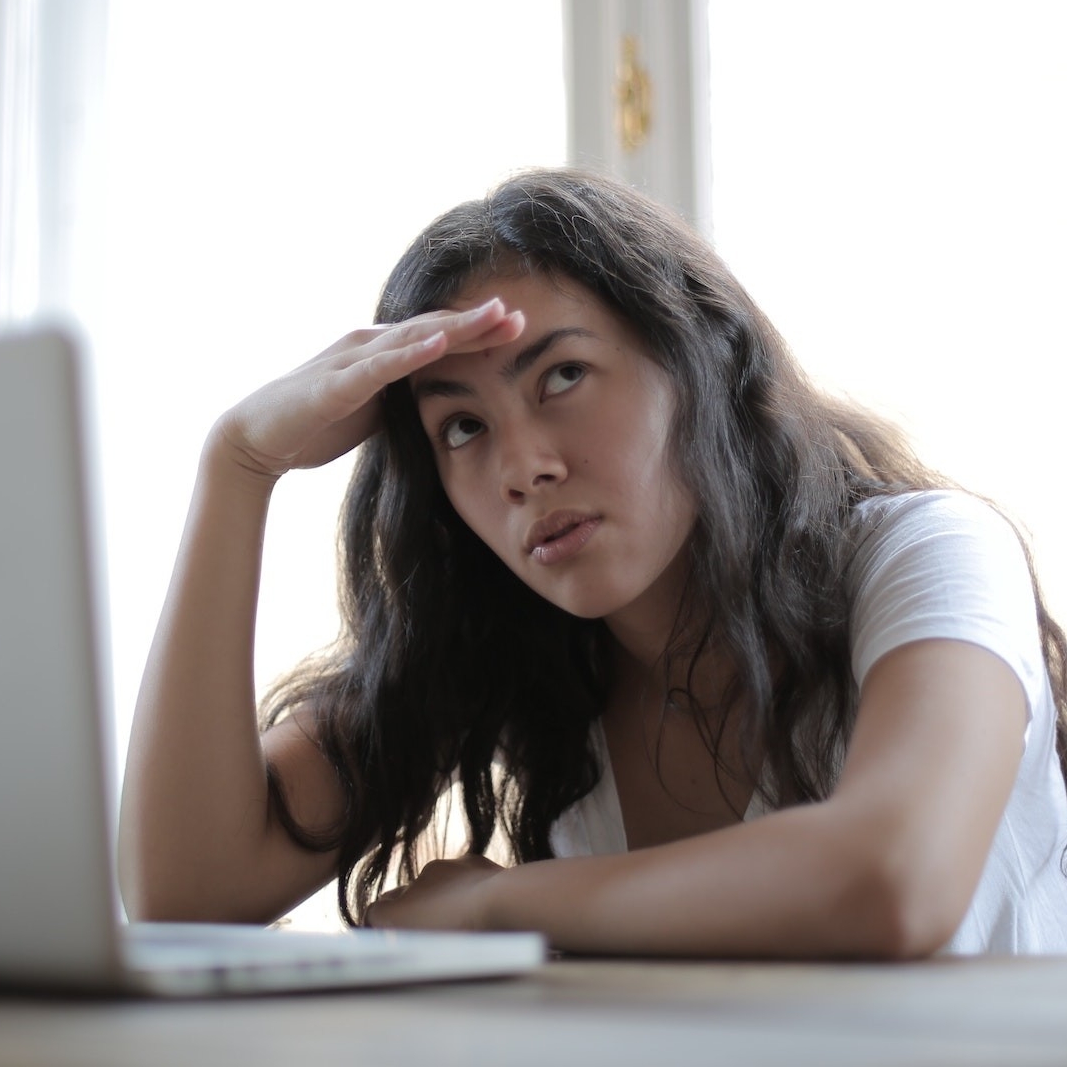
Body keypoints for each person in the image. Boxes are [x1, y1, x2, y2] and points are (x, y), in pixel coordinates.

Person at [118, 168, 1067, 957]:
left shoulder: (927, 553)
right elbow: (188, 894)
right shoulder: (512, 648)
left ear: (699, 361)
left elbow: (893, 882)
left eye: (562, 375)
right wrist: (238, 465)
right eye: (462, 427)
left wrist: (498, 906)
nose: (524, 465)